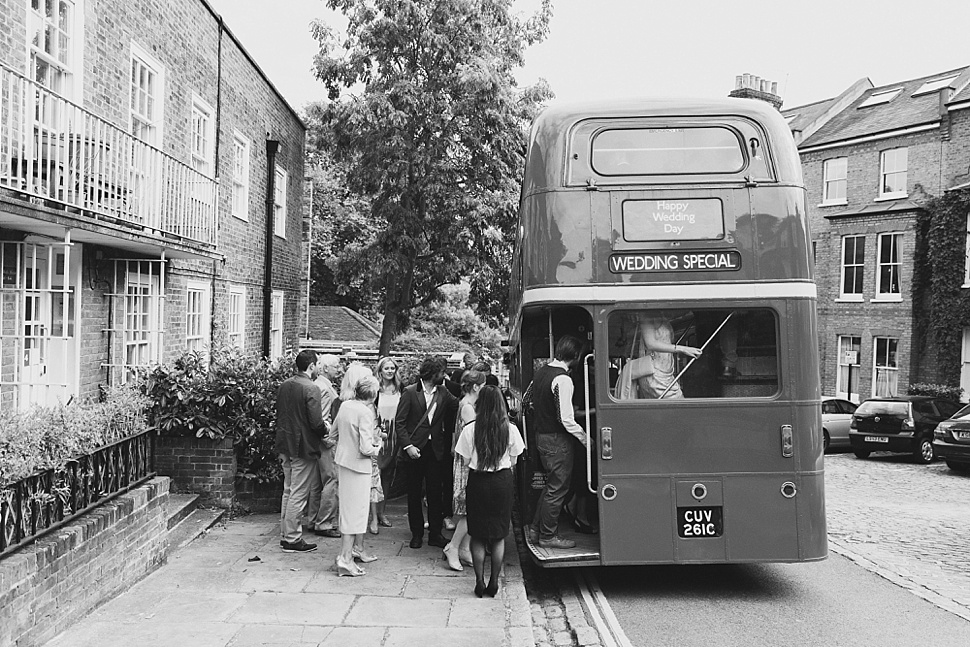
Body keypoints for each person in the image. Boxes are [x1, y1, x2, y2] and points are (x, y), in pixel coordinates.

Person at [455, 385, 525, 597]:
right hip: (502, 482)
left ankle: (479, 581)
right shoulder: (510, 429)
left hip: (478, 482)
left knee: (477, 535)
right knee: (498, 535)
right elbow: (514, 459)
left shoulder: (470, 430)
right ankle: (494, 581)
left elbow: (465, 460)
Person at [529, 335, 587, 550]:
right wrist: (585, 440)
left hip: (541, 437)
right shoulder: (563, 379)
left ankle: (536, 529)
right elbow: (566, 418)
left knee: (551, 487)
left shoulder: (541, 372)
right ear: (577, 356)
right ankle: (548, 536)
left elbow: (527, 401)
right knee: (558, 489)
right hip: (557, 439)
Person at [395, 355, 458, 549]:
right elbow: (400, 423)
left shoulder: (443, 392)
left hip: (436, 449)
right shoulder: (410, 392)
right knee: (414, 493)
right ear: (432, 373)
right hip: (415, 448)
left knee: (434, 492)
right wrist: (408, 446)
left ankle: (435, 534)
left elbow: (459, 404)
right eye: (441, 372)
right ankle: (417, 534)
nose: (444, 375)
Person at [274, 349, 327, 553]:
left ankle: (285, 534)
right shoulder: (311, 388)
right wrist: (326, 429)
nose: (318, 368)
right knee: (298, 492)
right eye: (318, 364)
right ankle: (293, 539)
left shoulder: (285, 384)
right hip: (302, 446)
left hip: (284, 444)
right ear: (311, 366)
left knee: (288, 490)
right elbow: (316, 423)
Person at [333, 374, 384, 576]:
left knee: (347, 511)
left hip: (344, 463)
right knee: (357, 513)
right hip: (359, 467)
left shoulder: (345, 406)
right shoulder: (365, 412)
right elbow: (365, 447)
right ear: (372, 394)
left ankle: (345, 555)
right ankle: (345, 558)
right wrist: (377, 445)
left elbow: (333, 433)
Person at [443, 369, 485, 571]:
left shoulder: (466, 404)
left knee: (473, 510)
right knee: (471, 509)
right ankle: (452, 547)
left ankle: (465, 549)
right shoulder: (468, 408)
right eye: (483, 385)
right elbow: (473, 437)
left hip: (466, 459)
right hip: (468, 461)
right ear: (476, 387)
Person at [306, 354, 342, 538]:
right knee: (332, 479)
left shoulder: (318, 385)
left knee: (317, 482)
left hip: (317, 442)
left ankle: (313, 519)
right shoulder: (325, 389)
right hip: (325, 442)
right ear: (326, 368)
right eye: (336, 366)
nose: (340, 369)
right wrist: (328, 439)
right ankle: (325, 522)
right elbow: (322, 418)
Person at [630, 312, 702, 399]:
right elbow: (650, 343)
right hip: (655, 374)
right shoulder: (646, 315)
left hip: (666, 370)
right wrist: (683, 349)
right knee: (678, 405)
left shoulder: (662, 316)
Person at [372, 356, 403, 531]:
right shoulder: (375, 389)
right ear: (380, 371)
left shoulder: (401, 389)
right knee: (375, 475)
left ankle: (382, 512)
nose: (390, 371)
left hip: (395, 436)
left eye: (392, 368)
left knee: (388, 476)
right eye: (386, 368)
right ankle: (373, 516)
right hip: (379, 435)